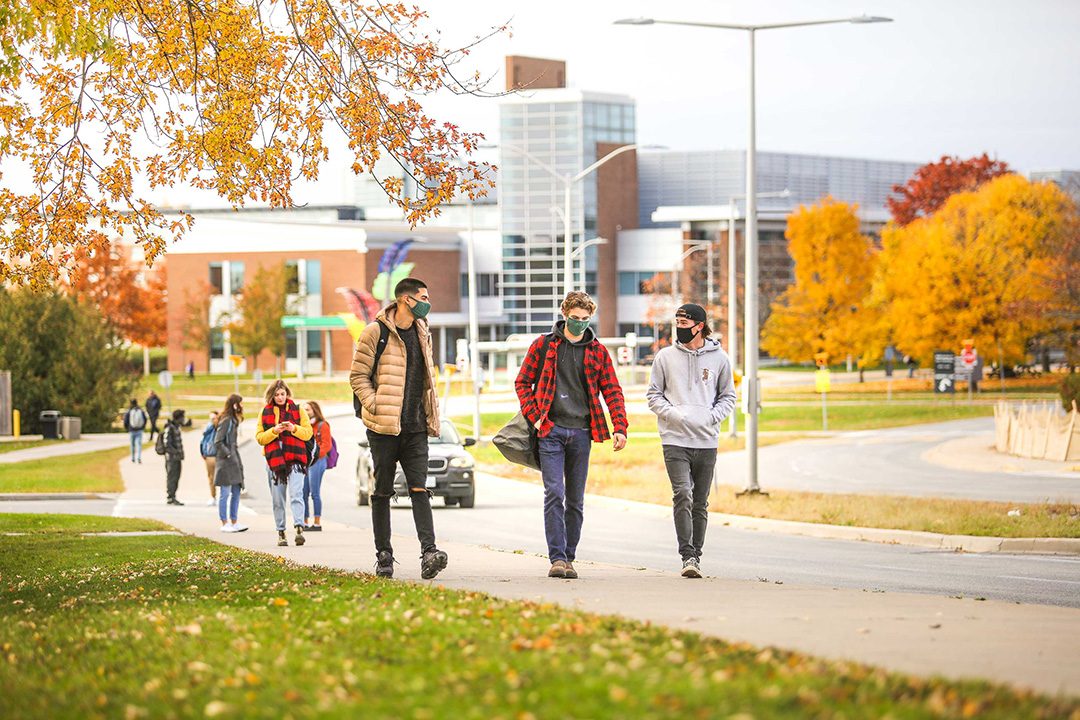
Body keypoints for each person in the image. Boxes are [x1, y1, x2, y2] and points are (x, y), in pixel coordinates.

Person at [514, 291, 629, 580]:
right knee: (555, 493)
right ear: (565, 314)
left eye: (585, 319)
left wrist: (619, 427)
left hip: (581, 432)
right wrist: (536, 417)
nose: (579, 323)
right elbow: (522, 382)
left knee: (575, 499)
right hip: (550, 431)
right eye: (575, 318)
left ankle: (570, 557)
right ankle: (557, 558)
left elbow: (612, 391)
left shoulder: (597, 351)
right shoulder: (543, 346)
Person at [350, 277, 448, 580]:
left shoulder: (422, 331)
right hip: (383, 428)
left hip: (416, 426)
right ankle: (384, 556)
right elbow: (357, 376)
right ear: (406, 299)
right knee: (381, 491)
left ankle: (429, 552)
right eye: (423, 296)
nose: (427, 302)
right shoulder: (375, 332)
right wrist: (375, 403)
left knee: (420, 488)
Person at [646, 303, 737, 579]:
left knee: (700, 501)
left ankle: (696, 555)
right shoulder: (664, 358)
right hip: (674, 439)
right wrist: (675, 415)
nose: (679, 330)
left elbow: (728, 397)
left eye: (684, 325)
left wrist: (711, 418)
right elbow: (653, 395)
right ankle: (686, 555)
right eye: (677, 324)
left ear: (699, 326)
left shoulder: (719, 359)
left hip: (706, 441)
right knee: (682, 493)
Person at [256, 380, 313, 547]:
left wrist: (293, 428)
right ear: (271, 396)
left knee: (297, 494)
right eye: (276, 395)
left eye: (282, 394)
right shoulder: (264, 412)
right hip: (274, 461)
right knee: (278, 499)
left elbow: (308, 434)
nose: (280, 397)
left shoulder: (298, 410)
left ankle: (299, 528)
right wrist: (274, 431)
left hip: (295, 460)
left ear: (287, 394)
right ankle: (281, 532)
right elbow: (260, 438)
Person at [214, 394, 248, 533]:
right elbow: (218, 441)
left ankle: (234, 521)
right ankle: (224, 522)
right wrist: (228, 453)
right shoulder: (227, 420)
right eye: (241, 403)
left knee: (236, 491)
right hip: (226, 461)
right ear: (235, 405)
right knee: (225, 493)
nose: (242, 406)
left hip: (234, 459)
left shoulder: (233, 420)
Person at [302, 400, 331, 531]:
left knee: (315, 493)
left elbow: (326, 445)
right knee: (303, 492)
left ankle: (317, 522)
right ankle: (305, 521)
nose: (305, 412)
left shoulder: (322, 425)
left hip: (318, 461)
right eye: (304, 410)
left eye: (307, 409)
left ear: (314, 410)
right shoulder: (304, 426)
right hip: (305, 462)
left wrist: (314, 455)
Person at [163, 409, 186, 506]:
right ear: (178, 418)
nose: (184, 419)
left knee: (176, 477)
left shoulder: (176, 427)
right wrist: (175, 452)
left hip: (177, 458)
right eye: (182, 417)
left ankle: (173, 496)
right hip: (171, 458)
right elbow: (166, 444)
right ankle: (170, 497)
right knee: (172, 477)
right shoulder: (170, 428)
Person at [200, 411, 219, 506]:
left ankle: (224, 496)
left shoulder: (218, 427)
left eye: (214, 418)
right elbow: (202, 441)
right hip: (208, 456)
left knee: (221, 478)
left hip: (218, 456)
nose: (212, 420)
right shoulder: (207, 428)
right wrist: (202, 452)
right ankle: (213, 496)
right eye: (211, 418)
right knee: (211, 478)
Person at [122, 398, 149, 464]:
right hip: (139, 430)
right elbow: (145, 419)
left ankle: (133, 458)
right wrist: (143, 427)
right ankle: (139, 458)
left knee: (132, 444)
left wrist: (126, 428)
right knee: (139, 444)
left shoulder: (129, 411)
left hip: (131, 430)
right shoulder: (140, 410)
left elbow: (125, 420)